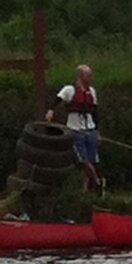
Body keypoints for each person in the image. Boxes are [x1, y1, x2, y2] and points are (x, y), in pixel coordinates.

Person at [45, 64, 104, 194]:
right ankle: (97, 181)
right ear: (80, 76)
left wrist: (97, 132)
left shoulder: (92, 91)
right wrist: (51, 111)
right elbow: (56, 100)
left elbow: (95, 113)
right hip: (75, 129)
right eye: (88, 75)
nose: (90, 78)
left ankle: (85, 190)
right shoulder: (69, 90)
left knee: (91, 159)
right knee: (82, 160)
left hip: (90, 129)